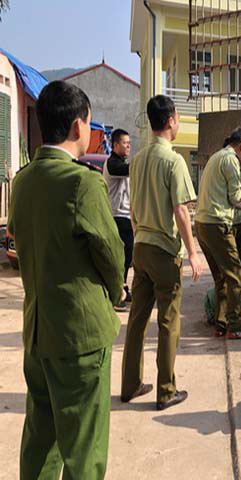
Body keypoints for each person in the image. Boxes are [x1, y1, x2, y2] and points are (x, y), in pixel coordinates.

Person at [7, 81, 124, 479]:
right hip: (80, 336)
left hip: (38, 332)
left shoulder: (22, 181)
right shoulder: (82, 183)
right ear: (78, 127)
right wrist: (114, 291)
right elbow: (110, 253)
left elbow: (21, 242)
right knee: (84, 448)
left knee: (41, 436)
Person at [121, 95, 202, 411]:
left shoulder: (138, 159)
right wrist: (193, 252)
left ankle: (130, 385)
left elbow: (132, 211)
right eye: (178, 118)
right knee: (169, 321)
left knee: (137, 320)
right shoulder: (174, 160)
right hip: (165, 250)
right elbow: (181, 210)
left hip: (140, 247)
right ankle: (166, 390)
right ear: (170, 121)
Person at [195, 127, 241, 339]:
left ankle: (221, 323)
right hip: (217, 225)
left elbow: (224, 197)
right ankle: (236, 327)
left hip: (202, 224)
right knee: (236, 275)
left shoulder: (216, 157)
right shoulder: (231, 160)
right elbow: (235, 196)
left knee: (221, 277)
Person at [103, 128, 133, 311]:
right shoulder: (113, 164)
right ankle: (116, 292)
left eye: (129, 142)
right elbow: (129, 169)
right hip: (117, 216)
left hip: (126, 216)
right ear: (115, 145)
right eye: (124, 142)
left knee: (127, 256)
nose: (128, 145)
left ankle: (122, 286)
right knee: (120, 257)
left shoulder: (122, 163)